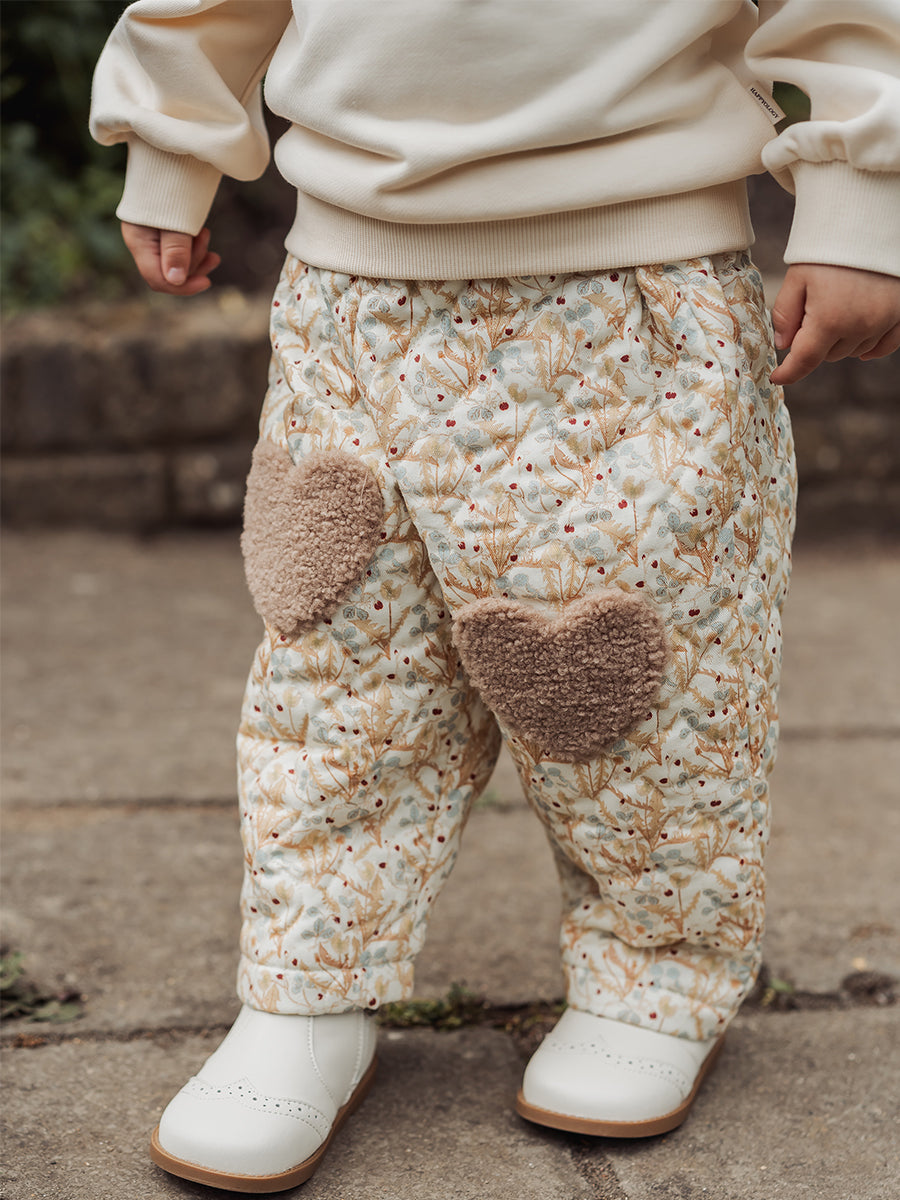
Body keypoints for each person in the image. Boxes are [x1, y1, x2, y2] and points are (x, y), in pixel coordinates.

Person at [90, 0, 900, 1191]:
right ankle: (310, 986)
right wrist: (172, 134)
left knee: (647, 701)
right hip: (348, 300)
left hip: (635, 299)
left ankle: (655, 975)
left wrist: (863, 194)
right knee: (337, 672)